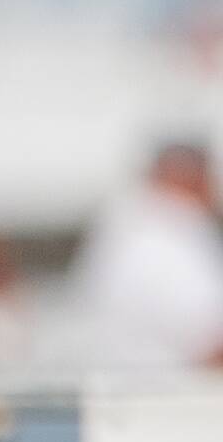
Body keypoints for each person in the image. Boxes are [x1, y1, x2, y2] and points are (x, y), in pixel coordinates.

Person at [64, 133, 223, 376]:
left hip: (124, 398)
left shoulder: (123, 230)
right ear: (192, 177)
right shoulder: (169, 239)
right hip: (173, 402)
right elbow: (210, 343)